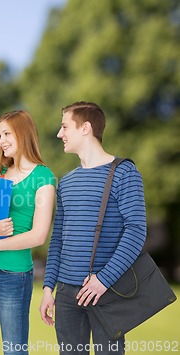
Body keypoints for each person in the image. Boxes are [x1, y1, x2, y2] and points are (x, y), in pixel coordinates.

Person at [40, 101, 147, 355]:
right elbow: (58, 240)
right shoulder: (65, 182)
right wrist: (48, 288)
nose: (59, 133)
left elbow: (136, 231)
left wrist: (104, 280)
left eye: (65, 126)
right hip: (66, 295)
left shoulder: (125, 173)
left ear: (85, 128)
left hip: (106, 291)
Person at [0, 110, 56, 355]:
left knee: (15, 350)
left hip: (14, 276)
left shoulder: (43, 178)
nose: (1, 140)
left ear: (23, 133)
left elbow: (38, 236)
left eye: (7, 133)